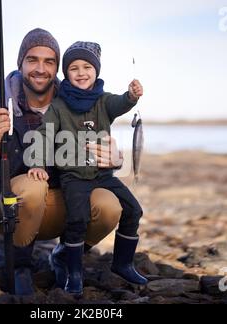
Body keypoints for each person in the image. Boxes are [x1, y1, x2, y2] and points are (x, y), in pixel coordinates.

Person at [0, 29, 126, 296]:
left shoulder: (80, 104)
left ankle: (65, 254)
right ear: (20, 64)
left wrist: (115, 160)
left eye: (49, 61)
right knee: (33, 187)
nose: (40, 69)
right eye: (32, 60)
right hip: (16, 210)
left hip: (68, 203)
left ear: (57, 68)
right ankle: (20, 265)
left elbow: (97, 159)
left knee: (110, 205)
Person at [28, 41, 147, 296]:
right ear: (66, 74)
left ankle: (123, 263)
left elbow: (122, 103)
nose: (81, 72)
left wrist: (132, 95)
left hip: (103, 175)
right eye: (74, 68)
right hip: (73, 177)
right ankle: (74, 274)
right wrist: (38, 163)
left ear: (96, 70)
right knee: (77, 220)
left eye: (87, 67)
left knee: (134, 210)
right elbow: (44, 135)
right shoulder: (59, 106)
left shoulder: (104, 101)